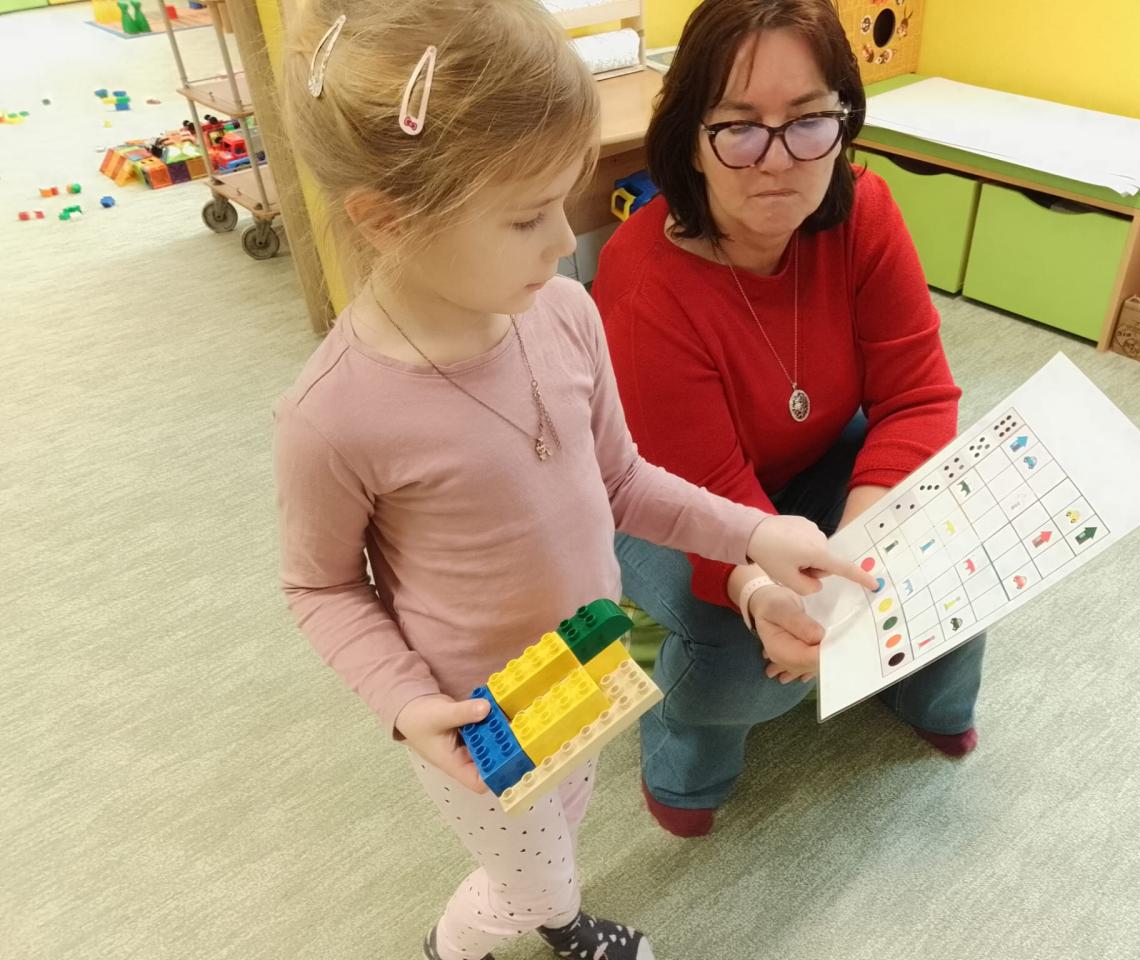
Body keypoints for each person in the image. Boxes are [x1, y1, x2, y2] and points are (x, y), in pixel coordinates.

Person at [273, 3, 870, 959]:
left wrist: (755, 535)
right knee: (526, 881)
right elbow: (321, 585)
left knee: (567, 821)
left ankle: (553, 913)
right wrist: (405, 702)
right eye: (525, 216)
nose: (564, 239)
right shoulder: (335, 414)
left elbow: (623, 481)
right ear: (388, 220)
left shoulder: (564, 313)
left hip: (588, 661)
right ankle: (461, 944)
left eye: (566, 197)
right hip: (478, 719)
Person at [593, 0, 988, 839]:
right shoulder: (643, 278)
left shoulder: (865, 211)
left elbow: (918, 397)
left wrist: (858, 558)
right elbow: (703, 495)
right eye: (739, 127)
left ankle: (926, 695)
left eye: (808, 121)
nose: (776, 162)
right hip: (661, 501)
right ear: (689, 138)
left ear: (844, 122)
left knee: (944, 543)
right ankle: (684, 766)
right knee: (735, 658)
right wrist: (766, 590)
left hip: (810, 458)